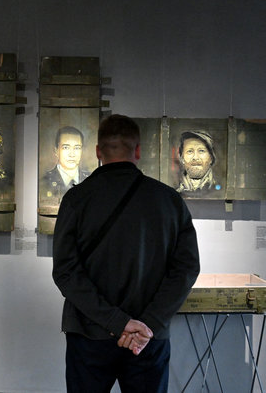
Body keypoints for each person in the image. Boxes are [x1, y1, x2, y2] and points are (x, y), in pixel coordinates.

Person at [52, 114, 200, 393]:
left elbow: (66, 272)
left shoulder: (77, 199)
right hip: (147, 338)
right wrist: (147, 325)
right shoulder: (169, 200)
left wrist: (116, 323)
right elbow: (186, 269)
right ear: (138, 150)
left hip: (90, 334)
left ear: (97, 152)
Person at [43, 126, 91, 197]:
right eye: (66, 147)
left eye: (77, 148)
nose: (72, 154)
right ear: (56, 151)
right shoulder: (45, 181)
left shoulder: (91, 179)